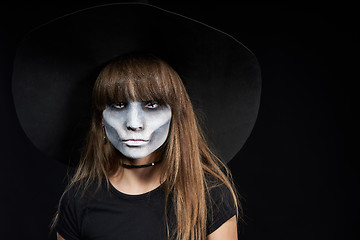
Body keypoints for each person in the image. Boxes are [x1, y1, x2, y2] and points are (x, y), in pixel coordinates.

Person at [52, 53, 241, 240]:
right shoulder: (78, 199)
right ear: (101, 118)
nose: (134, 123)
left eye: (151, 105)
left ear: (175, 115)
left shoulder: (209, 194)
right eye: (119, 105)